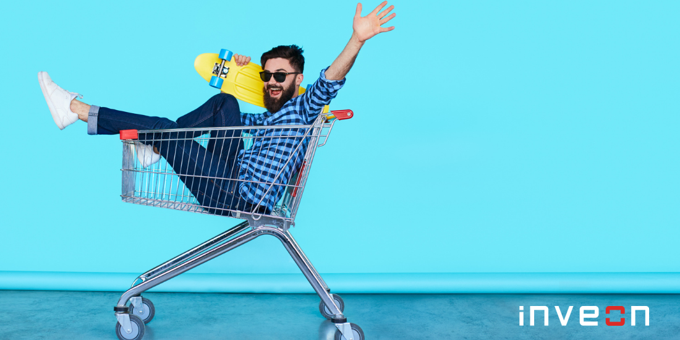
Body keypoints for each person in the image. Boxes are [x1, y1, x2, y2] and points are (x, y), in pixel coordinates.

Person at [38, 2, 396, 216]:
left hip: (235, 194)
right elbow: (230, 120)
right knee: (227, 103)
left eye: (280, 75)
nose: (272, 81)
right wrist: (237, 73)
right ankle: (155, 142)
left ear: (297, 79)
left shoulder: (303, 109)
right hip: (230, 176)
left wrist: (357, 39)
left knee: (164, 129)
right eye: (266, 74)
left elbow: (330, 80)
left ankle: (76, 109)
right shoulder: (272, 117)